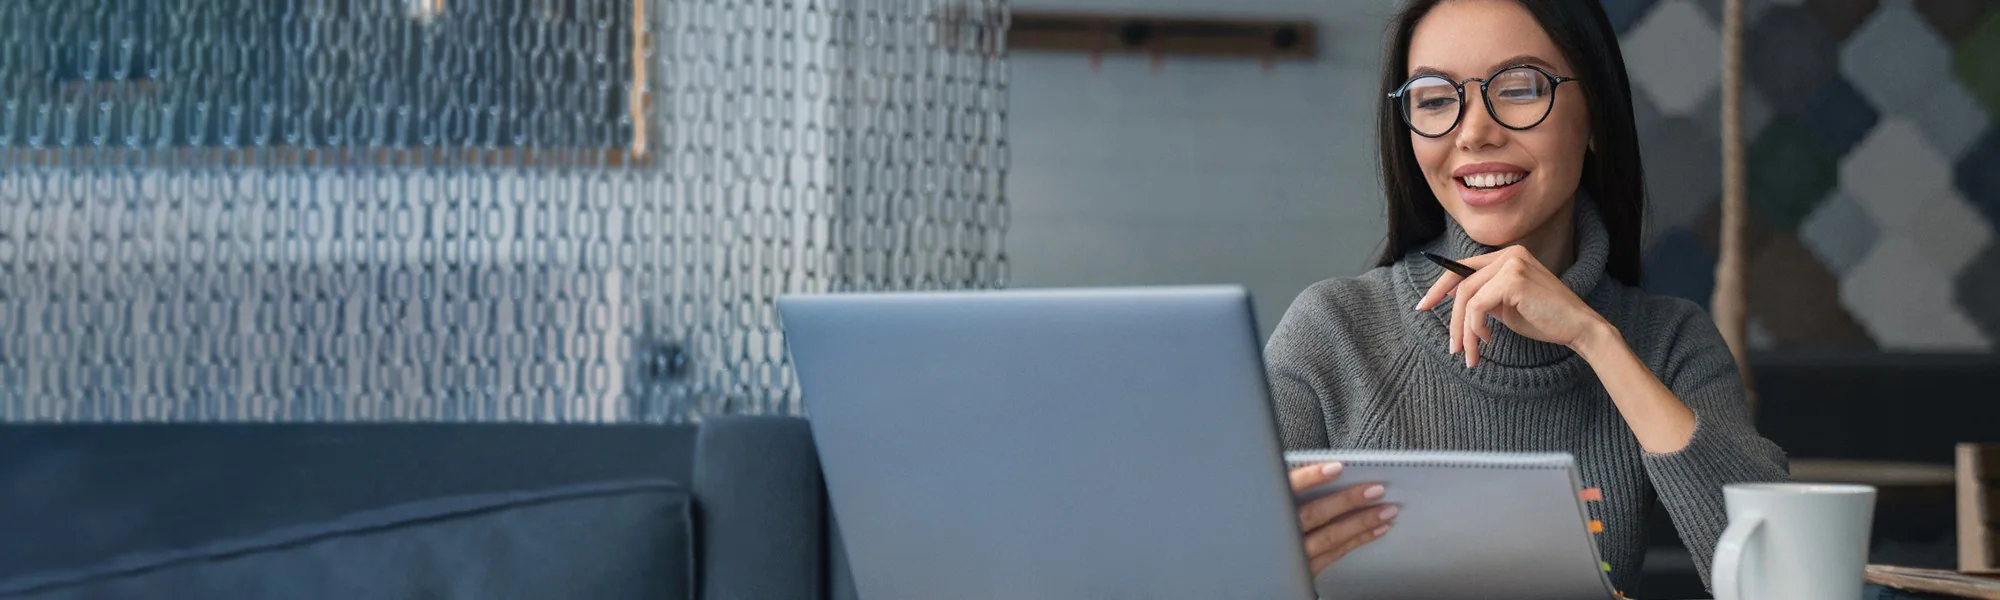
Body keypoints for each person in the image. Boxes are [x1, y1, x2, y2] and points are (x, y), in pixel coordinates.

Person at [1265, 0, 1790, 594]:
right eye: (1434, 100)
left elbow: (1782, 579)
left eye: (1518, 89)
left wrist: (1594, 339)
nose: (1474, 133)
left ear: (1595, 115)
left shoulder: (1670, 343)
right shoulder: (1331, 332)